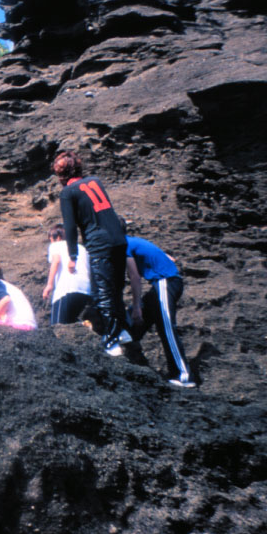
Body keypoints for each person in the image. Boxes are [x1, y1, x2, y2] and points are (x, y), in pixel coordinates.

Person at [53, 150, 132, 356]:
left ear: (62, 175)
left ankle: (111, 341)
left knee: (102, 292)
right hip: (118, 240)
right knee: (115, 288)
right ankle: (122, 330)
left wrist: (72, 256)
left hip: (99, 243)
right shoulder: (95, 181)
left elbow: (70, 227)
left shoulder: (68, 193)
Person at [126, 235, 196, 388]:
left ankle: (183, 376)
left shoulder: (125, 244)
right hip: (161, 283)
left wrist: (137, 306)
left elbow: (135, 277)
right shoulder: (133, 241)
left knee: (166, 328)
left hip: (165, 281)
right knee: (133, 323)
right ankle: (128, 353)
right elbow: (165, 256)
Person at [42, 222, 93, 325]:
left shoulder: (56, 245)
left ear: (57, 237)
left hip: (67, 289)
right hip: (86, 291)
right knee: (75, 325)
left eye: (50, 239)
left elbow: (56, 261)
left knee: (57, 326)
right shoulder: (82, 248)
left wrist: (49, 285)